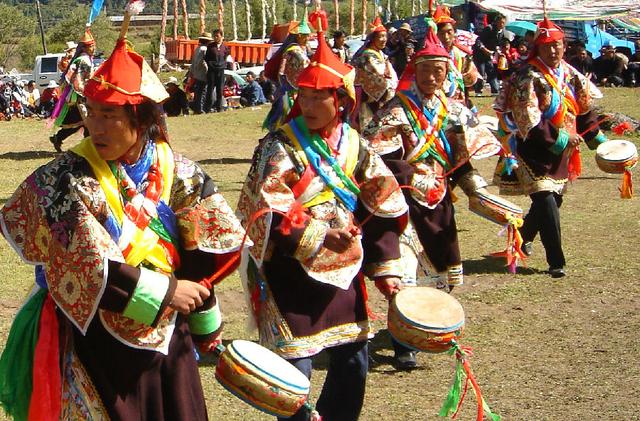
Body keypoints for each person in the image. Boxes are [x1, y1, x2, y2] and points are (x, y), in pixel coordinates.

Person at [0, 33, 245, 421]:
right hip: (95, 337)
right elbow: (84, 262)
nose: (94, 127)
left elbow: (211, 246)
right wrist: (168, 292)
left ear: (143, 118)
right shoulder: (67, 178)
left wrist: (200, 309)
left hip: (168, 336)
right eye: (91, 112)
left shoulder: (180, 174)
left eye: (108, 116)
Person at [237, 27, 408, 421]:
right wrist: (316, 235)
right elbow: (267, 205)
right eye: (305, 96)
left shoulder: (355, 145)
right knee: (294, 376)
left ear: (342, 101)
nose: (310, 105)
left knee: (354, 364)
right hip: (291, 271)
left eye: (320, 97)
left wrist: (385, 266)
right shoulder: (279, 145)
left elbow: (383, 201)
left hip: (346, 273)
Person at [364, 23, 491, 368]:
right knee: (404, 268)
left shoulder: (454, 112)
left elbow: (461, 160)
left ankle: (417, 330)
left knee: (434, 270)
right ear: (413, 71)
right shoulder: (395, 110)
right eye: (425, 70)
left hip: (439, 201)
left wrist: (477, 191)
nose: (432, 77)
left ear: (447, 73)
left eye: (438, 70)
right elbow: (377, 158)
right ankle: (405, 345)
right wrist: (411, 174)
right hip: (403, 200)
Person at [492, 17, 607, 278]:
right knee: (545, 199)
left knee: (553, 199)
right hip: (532, 147)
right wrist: (562, 138)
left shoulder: (569, 72)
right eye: (546, 46)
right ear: (537, 48)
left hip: (562, 151)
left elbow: (584, 105)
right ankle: (556, 261)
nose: (553, 51)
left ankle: (521, 237)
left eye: (557, 45)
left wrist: (595, 138)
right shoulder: (526, 77)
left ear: (564, 46)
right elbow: (527, 118)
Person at [50, 28, 96, 152]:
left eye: (93, 46)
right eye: (91, 46)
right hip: (80, 96)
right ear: (85, 48)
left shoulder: (84, 59)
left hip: (82, 95)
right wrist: (87, 91)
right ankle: (88, 146)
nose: (93, 49)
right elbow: (78, 79)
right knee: (86, 120)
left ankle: (59, 138)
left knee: (80, 122)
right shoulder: (83, 60)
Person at [262, 14, 311, 131]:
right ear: (299, 36)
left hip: (287, 91)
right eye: (305, 36)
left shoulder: (292, 50)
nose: (308, 39)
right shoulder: (295, 51)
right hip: (291, 93)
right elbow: (307, 66)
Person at [352, 16, 398, 131]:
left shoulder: (381, 54)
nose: (384, 39)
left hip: (380, 99)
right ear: (373, 38)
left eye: (385, 36)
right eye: (381, 36)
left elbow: (391, 76)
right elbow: (381, 76)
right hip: (371, 100)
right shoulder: (368, 56)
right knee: (370, 132)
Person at [434, 5, 480, 110]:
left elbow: (468, 81)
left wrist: (468, 66)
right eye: (441, 33)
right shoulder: (431, 57)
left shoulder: (458, 54)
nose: (446, 37)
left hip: (457, 101)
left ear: (454, 33)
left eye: (449, 32)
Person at [472, 13, 507, 96]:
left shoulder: (501, 32)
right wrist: (485, 50)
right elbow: (479, 41)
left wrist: (499, 52)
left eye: (503, 23)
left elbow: (497, 44)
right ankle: (478, 91)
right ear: (496, 22)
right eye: (500, 22)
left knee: (491, 72)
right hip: (479, 54)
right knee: (481, 72)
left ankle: (495, 90)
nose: (502, 25)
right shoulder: (489, 29)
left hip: (489, 55)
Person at [204, 29, 231, 113]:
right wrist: (212, 65)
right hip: (212, 71)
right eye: (214, 36)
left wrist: (222, 65)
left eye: (217, 36)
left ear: (222, 37)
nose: (216, 38)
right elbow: (206, 58)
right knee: (210, 89)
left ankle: (219, 107)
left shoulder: (225, 47)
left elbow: (226, 57)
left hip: (221, 71)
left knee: (220, 90)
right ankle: (207, 108)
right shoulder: (210, 46)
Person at [188, 32, 211, 114]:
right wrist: (208, 70)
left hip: (196, 74)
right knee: (203, 92)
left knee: (198, 92)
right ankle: (200, 109)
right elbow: (203, 61)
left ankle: (197, 108)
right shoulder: (205, 49)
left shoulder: (197, 48)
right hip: (203, 74)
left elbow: (193, 62)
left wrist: (192, 72)